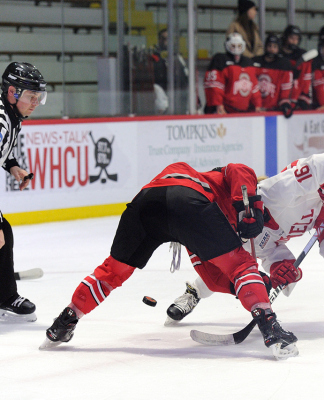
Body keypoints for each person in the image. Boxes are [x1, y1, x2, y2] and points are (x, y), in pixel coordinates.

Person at [40, 162, 299, 359]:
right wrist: (249, 208)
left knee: (112, 271)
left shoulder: (211, 211)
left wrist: (242, 287)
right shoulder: (222, 184)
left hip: (147, 202)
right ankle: (271, 327)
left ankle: (64, 322)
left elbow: (211, 276)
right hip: (188, 202)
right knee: (242, 265)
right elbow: (239, 169)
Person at [166, 153, 324, 338]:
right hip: (316, 211)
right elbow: (274, 255)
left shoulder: (275, 192)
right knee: (229, 265)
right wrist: (284, 270)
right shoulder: (246, 239)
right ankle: (194, 292)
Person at [0, 62, 47, 322]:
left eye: (38, 97)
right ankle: (5, 295)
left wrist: (13, 166)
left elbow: (2, 151)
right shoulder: (1, 120)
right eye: (31, 96)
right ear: (11, 93)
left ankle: (5, 295)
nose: (35, 102)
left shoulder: (10, 116)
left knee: (3, 232)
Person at [204, 33, 262, 114]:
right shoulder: (220, 60)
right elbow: (215, 85)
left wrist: (257, 105)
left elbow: (254, 86)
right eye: (233, 46)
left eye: (239, 46)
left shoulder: (249, 63)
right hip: (224, 111)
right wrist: (218, 105)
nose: (236, 49)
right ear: (227, 46)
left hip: (244, 112)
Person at [253, 34, 293, 118]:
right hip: (255, 109)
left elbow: (285, 90)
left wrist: (284, 103)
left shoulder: (284, 64)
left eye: (275, 47)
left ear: (279, 48)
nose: (272, 49)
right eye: (269, 46)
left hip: (274, 110)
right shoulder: (255, 62)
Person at [150, 28, 189, 115]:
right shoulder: (155, 58)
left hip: (180, 97)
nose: (168, 42)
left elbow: (186, 76)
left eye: (170, 39)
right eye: (165, 39)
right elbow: (157, 80)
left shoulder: (178, 57)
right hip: (165, 100)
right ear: (160, 40)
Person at [280, 25, 313, 110]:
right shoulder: (278, 53)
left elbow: (306, 79)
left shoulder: (302, 55)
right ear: (285, 38)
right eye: (291, 38)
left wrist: (303, 96)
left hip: (297, 95)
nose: (294, 41)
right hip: (280, 95)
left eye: (296, 38)